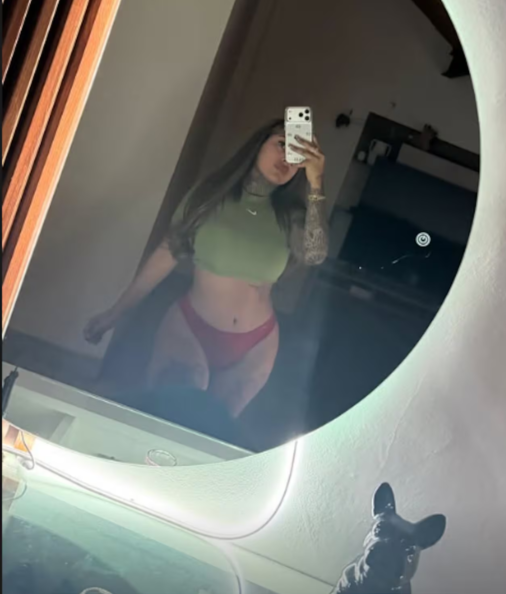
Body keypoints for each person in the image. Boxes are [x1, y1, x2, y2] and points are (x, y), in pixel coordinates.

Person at [84, 120, 328, 417]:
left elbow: (315, 254)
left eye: (297, 155)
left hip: (257, 345)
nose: (287, 159)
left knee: (209, 425)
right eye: (281, 144)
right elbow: (168, 252)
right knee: (167, 413)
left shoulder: (291, 215)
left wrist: (316, 182)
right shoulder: (210, 196)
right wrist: (115, 312)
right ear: (259, 144)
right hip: (191, 327)